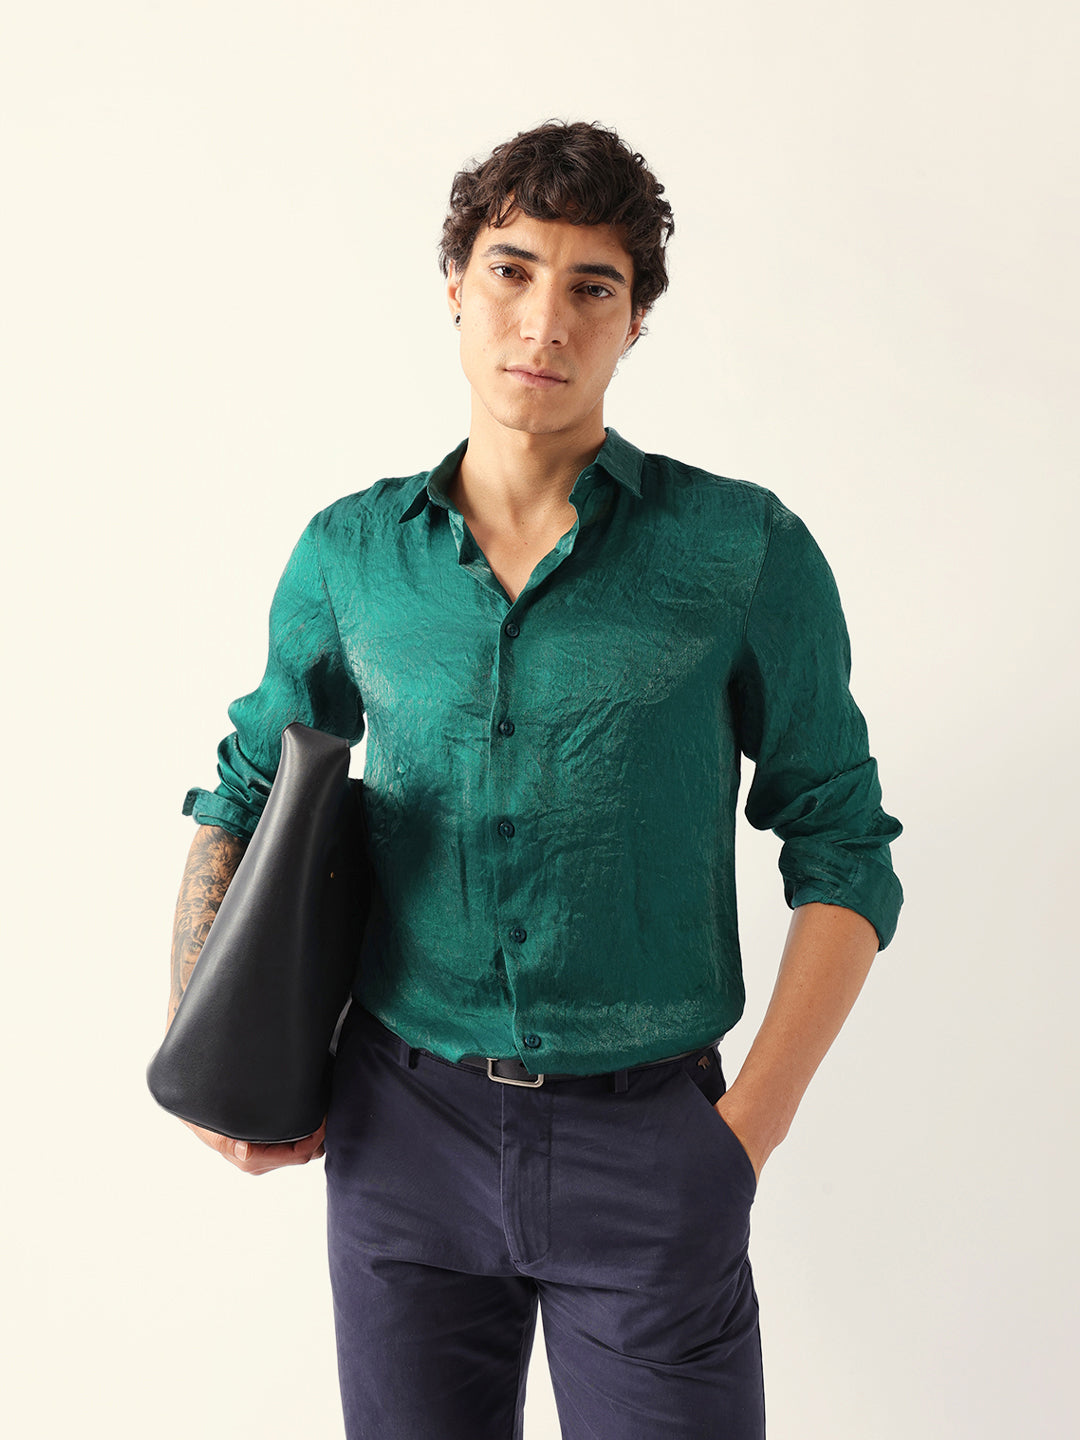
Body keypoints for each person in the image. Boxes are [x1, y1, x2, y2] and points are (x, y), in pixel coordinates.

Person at [167, 118, 903, 1439]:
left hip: (653, 1145)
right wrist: (213, 1055)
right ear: (456, 284)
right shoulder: (351, 556)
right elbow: (243, 796)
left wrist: (745, 1135)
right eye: (512, 270)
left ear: (635, 321)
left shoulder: (738, 549)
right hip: (399, 1135)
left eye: (592, 286)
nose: (545, 319)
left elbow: (844, 844)